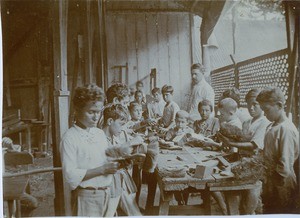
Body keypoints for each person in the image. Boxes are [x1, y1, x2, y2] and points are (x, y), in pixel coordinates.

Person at [60, 84, 119, 216]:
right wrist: (102, 170)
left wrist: (121, 160)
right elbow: (70, 175)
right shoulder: (70, 137)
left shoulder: (98, 133)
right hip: (87, 197)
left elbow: (105, 159)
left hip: (106, 193)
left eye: (98, 112)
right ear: (77, 110)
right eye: (91, 112)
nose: (95, 117)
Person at [218, 89, 271, 214]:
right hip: (242, 161)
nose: (251, 108)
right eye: (248, 104)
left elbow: (254, 145)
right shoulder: (247, 122)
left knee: (252, 199)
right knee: (241, 198)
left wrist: (230, 143)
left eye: (255, 105)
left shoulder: (264, 122)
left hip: (256, 164)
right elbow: (241, 139)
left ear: (262, 106)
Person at [256, 87, 299, 214]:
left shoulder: (286, 129)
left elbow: (285, 164)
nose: (264, 114)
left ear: (279, 105)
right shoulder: (272, 126)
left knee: (281, 210)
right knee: (269, 209)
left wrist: (273, 180)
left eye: (267, 110)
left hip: (282, 182)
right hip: (271, 180)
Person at [102, 104, 144, 216]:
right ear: (110, 121)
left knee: (133, 210)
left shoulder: (114, 138)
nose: (122, 129)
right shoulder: (99, 138)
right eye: (121, 125)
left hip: (119, 180)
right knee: (109, 213)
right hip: (107, 184)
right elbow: (104, 158)